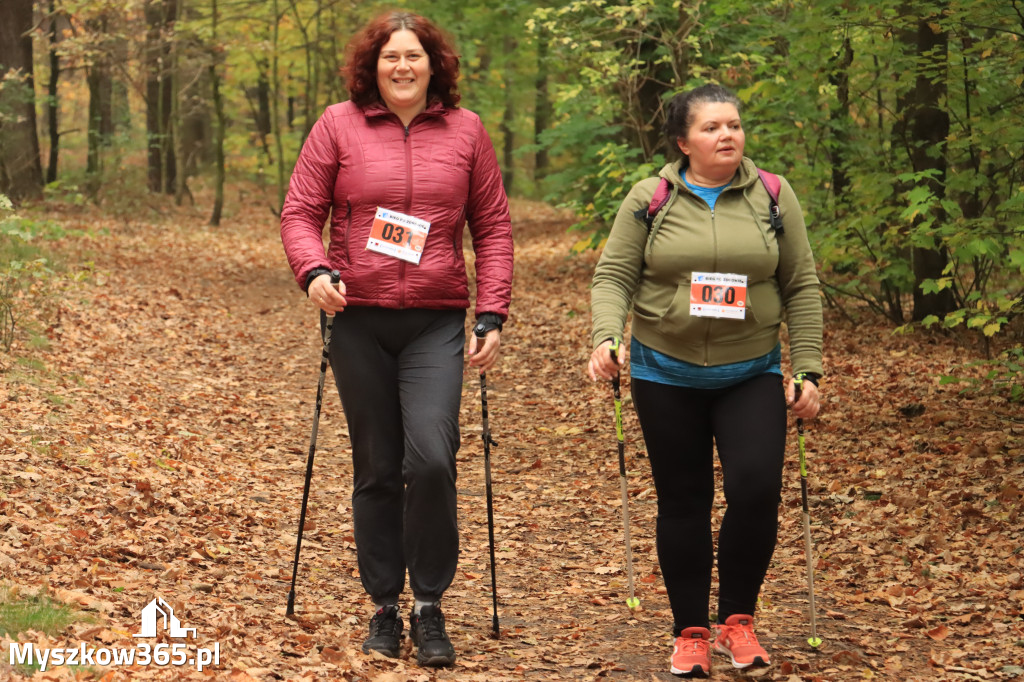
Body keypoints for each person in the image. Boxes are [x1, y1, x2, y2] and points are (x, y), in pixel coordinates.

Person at [280, 10, 513, 668]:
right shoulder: (337, 125)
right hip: (358, 320)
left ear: (434, 64)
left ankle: (430, 604)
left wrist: (491, 312)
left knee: (433, 458)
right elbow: (301, 211)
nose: (402, 67)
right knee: (378, 467)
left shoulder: (466, 132)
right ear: (372, 66)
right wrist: (314, 269)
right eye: (390, 58)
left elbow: (492, 227)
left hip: (435, 319)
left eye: (414, 56)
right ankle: (385, 603)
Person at [587, 84, 823, 678]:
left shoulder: (772, 193)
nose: (728, 136)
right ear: (682, 141)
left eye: (735, 126)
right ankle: (690, 630)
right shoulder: (652, 198)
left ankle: (738, 621)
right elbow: (613, 274)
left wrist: (808, 369)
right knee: (684, 501)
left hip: (752, 370)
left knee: (754, 490)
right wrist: (605, 336)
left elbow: (801, 283)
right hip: (666, 370)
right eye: (713, 127)